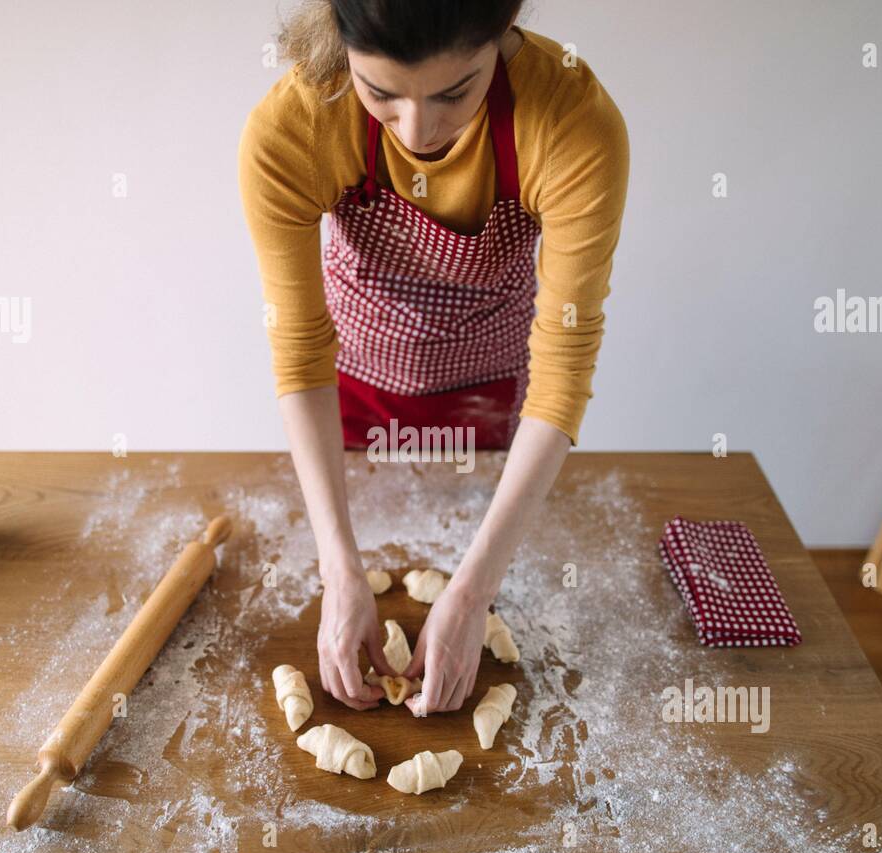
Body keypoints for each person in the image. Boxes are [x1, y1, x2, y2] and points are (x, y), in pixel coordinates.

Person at [239, 0, 629, 714]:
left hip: (493, 402)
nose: (418, 132)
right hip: (350, 397)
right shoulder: (294, 126)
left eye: (456, 91)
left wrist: (476, 588)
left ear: (503, 26)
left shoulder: (571, 122)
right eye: (379, 94)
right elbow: (298, 355)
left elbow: (565, 372)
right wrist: (339, 568)